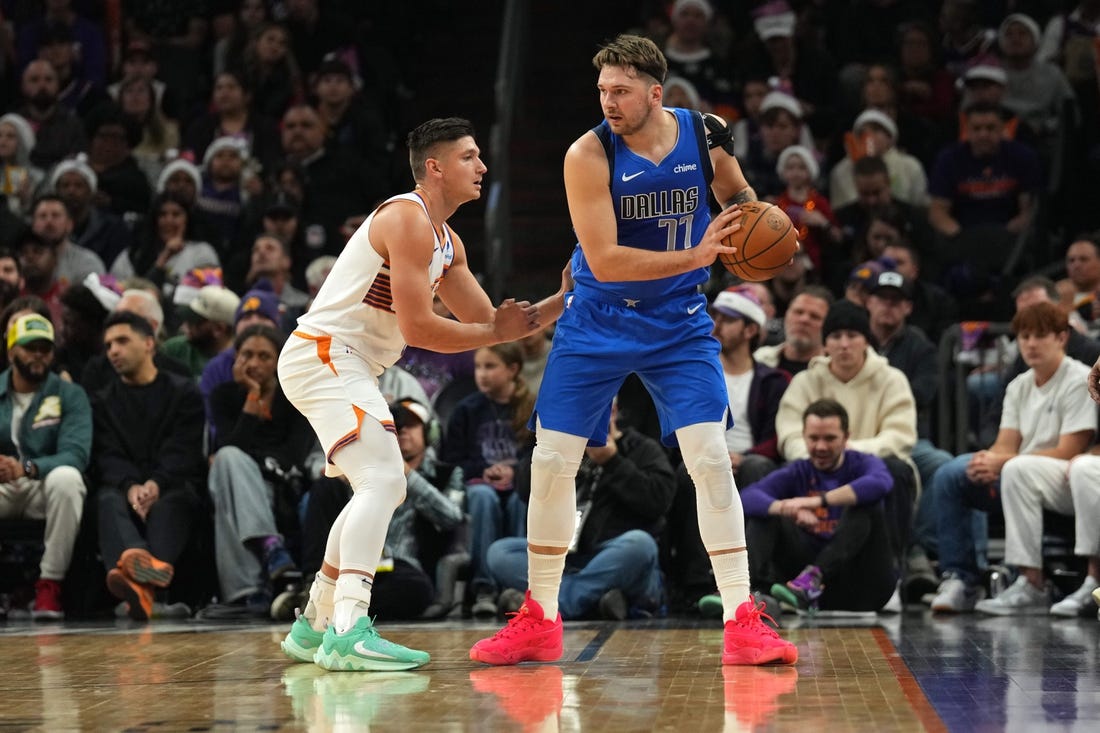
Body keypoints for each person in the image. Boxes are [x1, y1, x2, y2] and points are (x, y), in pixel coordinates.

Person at [470, 35, 797, 667]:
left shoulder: (705, 135)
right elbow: (606, 259)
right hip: (597, 318)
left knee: (709, 457)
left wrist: (755, 229)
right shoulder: (587, 154)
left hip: (678, 321)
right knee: (553, 459)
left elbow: (740, 198)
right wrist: (702, 255)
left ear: (656, 93)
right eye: (602, 91)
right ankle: (540, 615)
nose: (608, 102)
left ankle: (742, 619)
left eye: (620, 91)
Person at [276, 117, 564, 672]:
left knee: (378, 485)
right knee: (384, 479)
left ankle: (315, 624)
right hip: (324, 353)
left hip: (348, 363)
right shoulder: (405, 217)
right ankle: (349, 629)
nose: (482, 167)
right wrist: (494, 332)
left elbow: (492, 323)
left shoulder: (447, 242)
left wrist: (563, 299)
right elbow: (422, 330)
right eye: (470, 157)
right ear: (435, 167)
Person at [930, 302, 1095, 613]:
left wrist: (1003, 462)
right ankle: (960, 578)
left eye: (1040, 336)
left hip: (1063, 476)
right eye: (1024, 336)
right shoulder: (1019, 384)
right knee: (951, 473)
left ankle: (1033, 581)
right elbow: (1006, 443)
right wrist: (987, 460)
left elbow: (1069, 450)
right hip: (1018, 471)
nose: (1030, 344)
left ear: (1061, 338)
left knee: (1018, 467)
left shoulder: (1078, 379)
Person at [487, 400, 674, 620]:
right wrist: (553, 445)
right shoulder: (562, 448)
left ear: (612, 412)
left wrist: (613, 462)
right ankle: (592, 600)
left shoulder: (641, 448)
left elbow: (658, 501)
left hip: (608, 556)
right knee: (500, 552)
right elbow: (525, 489)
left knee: (640, 544)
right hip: (565, 555)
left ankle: (554, 605)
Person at [93, 311, 206, 620]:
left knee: (175, 501)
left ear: (148, 344)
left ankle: (137, 582)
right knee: (106, 499)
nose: (113, 350)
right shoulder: (102, 401)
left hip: (172, 484)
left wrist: (156, 482)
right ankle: (144, 573)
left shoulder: (184, 392)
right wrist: (131, 486)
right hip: (125, 487)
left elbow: (183, 450)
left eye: (121, 341)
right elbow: (107, 455)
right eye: (108, 345)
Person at [742, 399, 897, 613]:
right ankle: (745, 594)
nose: (821, 447)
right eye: (814, 438)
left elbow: (881, 482)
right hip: (796, 587)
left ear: (846, 438)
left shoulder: (862, 463)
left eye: (830, 438)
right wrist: (788, 508)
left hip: (861, 585)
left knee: (865, 504)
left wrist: (818, 501)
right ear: (804, 437)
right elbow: (748, 497)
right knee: (765, 512)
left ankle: (813, 578)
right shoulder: (797, 471)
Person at [207, 324, 314, 613]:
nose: (254, 363)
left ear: (279, 360)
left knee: (228, 474)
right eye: (247, 355)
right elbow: (232, 444)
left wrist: (255, 463)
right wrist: (252, 397)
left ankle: (248, 592)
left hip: (283, 487)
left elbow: (294, 456)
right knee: (228, 462)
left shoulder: (296, 396)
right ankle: (271, 549)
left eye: (264, 356)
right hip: (239, 480)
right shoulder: (224, 395)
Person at [0, 313, 90, 620]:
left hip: (43, 487)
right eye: (30, 347)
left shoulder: (70, 394)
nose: (39, 355)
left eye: (45, 348)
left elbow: (76, 454)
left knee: (69, 478)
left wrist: (25, 467)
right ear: (11, 351)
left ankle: (49, 585)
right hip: (3, 488)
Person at [440, 342, 535, 618]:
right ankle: (485, 587)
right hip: (480, 484)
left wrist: (515, 470)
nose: (481, 374)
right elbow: (453, 459)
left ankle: (517, 585)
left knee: (521, 500)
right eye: (478, 367)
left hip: (519, 484)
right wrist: (483, 470)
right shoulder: (466, 410)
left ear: (513, 369)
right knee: (483, 498)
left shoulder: (531, 408)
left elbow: (539, 452)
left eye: (490, 366)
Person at [753, 287, 832, 377]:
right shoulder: (759, 359)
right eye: (798, 312)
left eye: (814, 316)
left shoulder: (835, 370)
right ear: (786, 315)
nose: (804, 320)